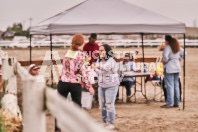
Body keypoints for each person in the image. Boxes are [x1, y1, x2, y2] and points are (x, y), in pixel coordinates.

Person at [55, 34, 95, 132]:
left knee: (60, 106)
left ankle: (57, 129)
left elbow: (65, 68)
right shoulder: (81, 55)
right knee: (77, 107)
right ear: (81, 43)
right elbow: (84, 72)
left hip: (63, 82)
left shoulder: (67, 53)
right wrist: (89, 87)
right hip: (74, 83)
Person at [92, 44, 119, 129]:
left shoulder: (111, 61)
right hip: (101, 85)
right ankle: (104, 121)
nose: (100, 52)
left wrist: (96, 67)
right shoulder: (98, 61)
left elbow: (105, 68)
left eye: (102, 50)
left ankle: (111, 123)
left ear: (107, 51)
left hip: (111, 85)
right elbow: (97, 71)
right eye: (99, 50)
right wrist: (95, 67)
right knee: (102, 104)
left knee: (109, 104)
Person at [161, 35, 185, 108]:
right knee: (176, 85)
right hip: (177, 66)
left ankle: (170, 103)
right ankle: (177, 102)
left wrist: (165, 61)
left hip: (169, 67)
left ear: (167, 41)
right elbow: (184, 53)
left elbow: (165, 56)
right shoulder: (177, 47)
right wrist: (180, 59)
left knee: (169, 86)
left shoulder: (168, 47)